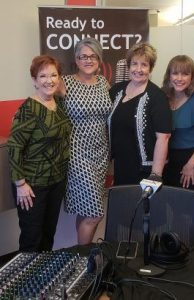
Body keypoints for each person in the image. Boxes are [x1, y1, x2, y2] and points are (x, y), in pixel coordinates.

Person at [7, 55, 71, 252]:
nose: (49, 80)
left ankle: (44, 279)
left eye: (54, 75)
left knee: (48, 236)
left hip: (56, 182)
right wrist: (20, 184)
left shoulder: (58, 105)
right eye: (43, 76)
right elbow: (15, 146)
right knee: (31, 239)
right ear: (34, 80)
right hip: (32, 186)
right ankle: (25, 282)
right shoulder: (28, 109)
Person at [60, 38, 112, 245]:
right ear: (76, 59)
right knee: (95, 213)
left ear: (99, 59)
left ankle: (80, 254)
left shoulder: (103, 83)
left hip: (101, 152)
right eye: (83, 56)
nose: (88, 60)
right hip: (77, 152)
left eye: (92, 56)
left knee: (86, 209)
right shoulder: (65, 83)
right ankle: (85, 260)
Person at [108, 42, 172, 185]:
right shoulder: (116, 90)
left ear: (151, 68)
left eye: (144, 65)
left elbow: (164, 137)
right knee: (123, 205)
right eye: (134, 64)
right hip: (121, 166)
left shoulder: (157, 97)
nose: (138, 69)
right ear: (128, 66)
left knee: (143, 207)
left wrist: (155, 175)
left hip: (145, 171)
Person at [162, 55, 194, 211]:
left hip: (192, 160)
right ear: (169, 76)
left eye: (185, 74)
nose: (179, 78)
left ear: (192, 77)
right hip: (168, 163)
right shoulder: (163, 99)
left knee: (188, 213)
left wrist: (190, 165)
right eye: (175, 73)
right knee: (169, 210)